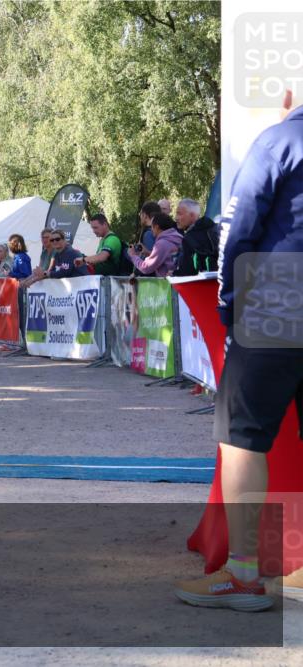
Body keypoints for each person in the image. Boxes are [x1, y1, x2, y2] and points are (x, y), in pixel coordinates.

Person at [174, 94, 303, 612]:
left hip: (277, 299)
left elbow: (237, 230)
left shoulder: (278, 140)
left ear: (290, 98)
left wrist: (229, 305)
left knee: (242, 438)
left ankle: (245, 575)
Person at [173, 198, 220, 276]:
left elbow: (186, 272)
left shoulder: (189, 238)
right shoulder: (215, 230)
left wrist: (175, 274)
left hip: (199, 285)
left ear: (192, 215)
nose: (176, 218)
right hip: (221, 282)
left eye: (179, 214)